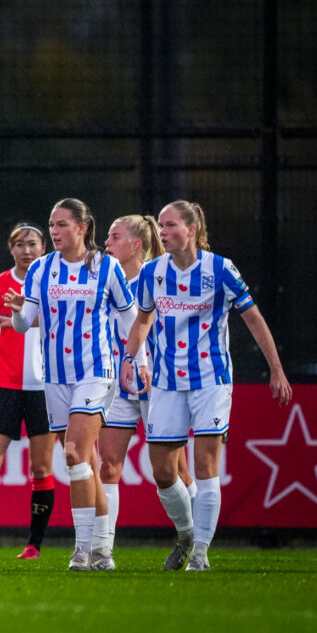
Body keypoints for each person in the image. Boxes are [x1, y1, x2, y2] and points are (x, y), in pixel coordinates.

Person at [121, 200, 292, 572]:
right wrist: (130, 359)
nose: (162, 232)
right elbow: (142, 322)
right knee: (163, 473)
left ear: (192, 229)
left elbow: (253, 318)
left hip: (211, 381)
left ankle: (199, 553)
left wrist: (275, 369)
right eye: (161, 227)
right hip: (166, 382)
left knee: (204, 465)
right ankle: (186, 534)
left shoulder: (221, 269)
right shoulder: (152, 272)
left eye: (170, 225)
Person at [3, 198, 136, 571]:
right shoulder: (41, 269)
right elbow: (25, 322)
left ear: (82, 227)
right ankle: (101, 549)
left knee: (74, 454)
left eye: (61, 224)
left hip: (95, 371)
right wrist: (17, 312)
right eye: (52, 225)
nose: (54, 232)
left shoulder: (106, 267)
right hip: (55, 376)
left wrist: (135, 362)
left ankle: (82, 551)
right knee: (86, 465)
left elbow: (128, 320)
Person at [99, 214, 194, 570]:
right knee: (108, 465)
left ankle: (191, 540)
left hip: (160, 384)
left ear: (136, 244)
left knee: (173, 472)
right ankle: (102, 551)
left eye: (114, 236)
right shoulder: (105, 278)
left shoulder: (158, 277)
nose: (106, 243)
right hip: (117, 384)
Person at [0, 221, 55, 561]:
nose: (27, 250)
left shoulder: (54, 283)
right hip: (3, 386)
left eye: (33, 244)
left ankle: (34, 545)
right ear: (11, 248)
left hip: (43, 388)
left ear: (44, 248)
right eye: (20, 244)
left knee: (41, 469)